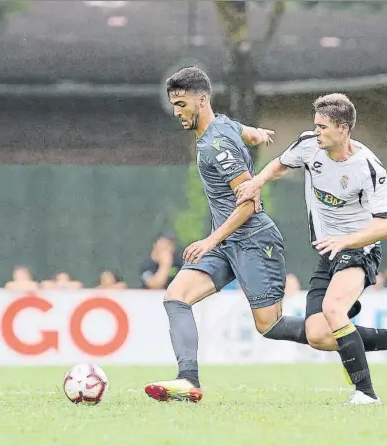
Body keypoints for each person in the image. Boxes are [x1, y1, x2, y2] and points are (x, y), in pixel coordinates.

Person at [236, 93, 387, 404]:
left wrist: (345, 240)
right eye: (316, 125)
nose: (317, 131)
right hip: (329, 253)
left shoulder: (368, 167)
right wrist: (258, 182)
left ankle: (366, 394)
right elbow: (282, 164)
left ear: (343, 128)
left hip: (359, 249)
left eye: (323, 126)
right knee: (318, 335)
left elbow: (385, 227)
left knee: (333, 310)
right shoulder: (309, 144)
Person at [144, 67, 309, 403]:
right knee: (176, 297)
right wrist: (257, 134)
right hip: (228, 241)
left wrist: (209, 241)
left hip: (252, 239)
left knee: (271, 326)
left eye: (181, 104)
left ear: (201, 99)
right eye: (174, 104)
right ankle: (188, 380)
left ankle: (357, 336)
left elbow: (249, 202)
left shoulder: (215, 145)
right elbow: (242, 131)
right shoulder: (222, 125)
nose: (177, 112)